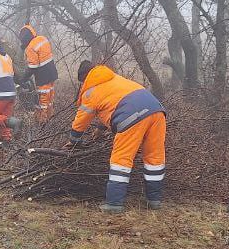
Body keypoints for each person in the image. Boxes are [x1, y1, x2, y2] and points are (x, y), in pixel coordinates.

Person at [67, 62, 166, 213]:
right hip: (157, 110)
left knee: (121, 159)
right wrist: (101, 129)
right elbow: (112, 104)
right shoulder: (115, 79)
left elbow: (81, 120)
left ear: (84, 78)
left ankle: (114, 203)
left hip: (133, 116)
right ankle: (154, 200)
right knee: (154, 157)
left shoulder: (91, 90)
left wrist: (74, 141)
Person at [17, 23, 58, 122]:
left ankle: (42, 122)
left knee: (42, 100)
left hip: (43, 76)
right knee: (50, 98)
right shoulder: (42, 38)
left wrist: (23, 79)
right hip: (52, 73)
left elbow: (32, 66)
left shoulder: (30, 47)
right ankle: (50, 117)